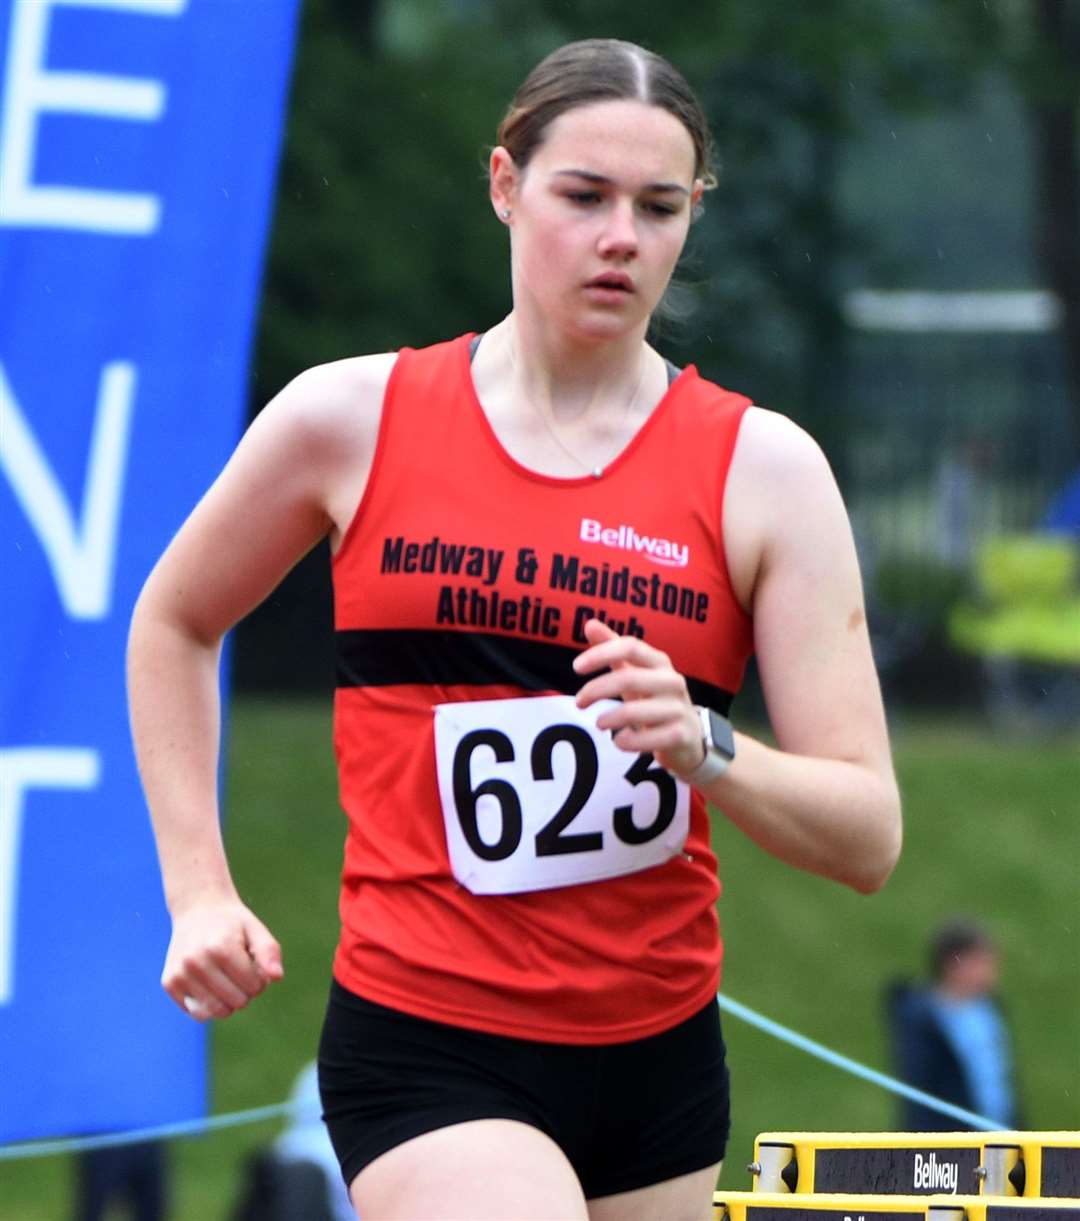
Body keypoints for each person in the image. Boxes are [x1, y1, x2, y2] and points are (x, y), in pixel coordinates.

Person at [127, 37, 902, 1221]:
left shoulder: (765, 472)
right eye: (583, 196)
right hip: (428, 1038)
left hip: (657, 1055)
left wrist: (707, 746)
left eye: (658, 207)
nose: (620, 240)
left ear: (694, 214)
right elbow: (175, 621)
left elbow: (867, 836)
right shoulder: (351, 418)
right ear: (505, 185)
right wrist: (198, 890)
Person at [887, 918, 1021, 1132]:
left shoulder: (991, 1008)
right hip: (950, 1142)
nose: (991, 971)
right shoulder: (922, 1019)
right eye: (981, 962)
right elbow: (921, 1094)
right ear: (954, 963)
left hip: (1001, 1134)